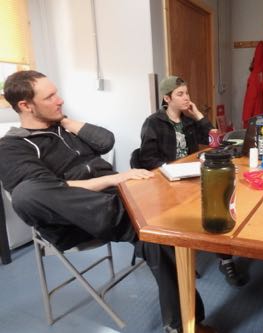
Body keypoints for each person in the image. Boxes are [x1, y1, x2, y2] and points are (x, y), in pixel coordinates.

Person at [0, 70, 215, 333]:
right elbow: (46, 190)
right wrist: (114, 180)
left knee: (157, 238)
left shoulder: (64, 127)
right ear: (25, 105)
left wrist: (64, 121)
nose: (60, 100)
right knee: (26, 194)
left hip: (121, 197)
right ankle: (136, 218)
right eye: (51, 96)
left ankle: (183, 325)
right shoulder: (11, 147)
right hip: (79, 217)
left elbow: (106, 140)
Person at [134, 76, 247, 287]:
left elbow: (216, 142)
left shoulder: (188, 121)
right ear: (167, 98)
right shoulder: (153, 123)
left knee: (217, 201)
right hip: (167, 181)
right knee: (201, 205)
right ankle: (181, 256)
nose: (186, 98)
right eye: (180, 94)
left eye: (187, 93)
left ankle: (225, 259)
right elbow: (147, 159)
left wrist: (198, 115)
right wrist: (171, 171)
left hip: (192, 175)